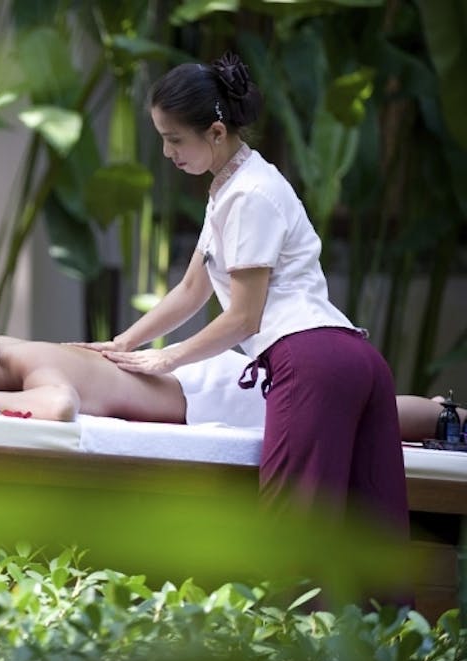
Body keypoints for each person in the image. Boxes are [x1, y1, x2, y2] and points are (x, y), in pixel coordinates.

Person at [72, 52, 408, 529]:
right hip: (348, 356)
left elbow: (244, 318)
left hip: (310, 361)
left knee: (289, 534)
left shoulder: (250, 194)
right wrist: (124, 343)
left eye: (174, 139)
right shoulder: (231, 188)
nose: (167, 152)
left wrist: (167, 358)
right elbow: (192, 289)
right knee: (370, 533)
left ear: (216, 132)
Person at [0, 292, 456, 441]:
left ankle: (447, 417)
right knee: (358, 419)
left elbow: (57, 407)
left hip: (211, 393)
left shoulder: (24, 361)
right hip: (189, 390)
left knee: (365, 419)